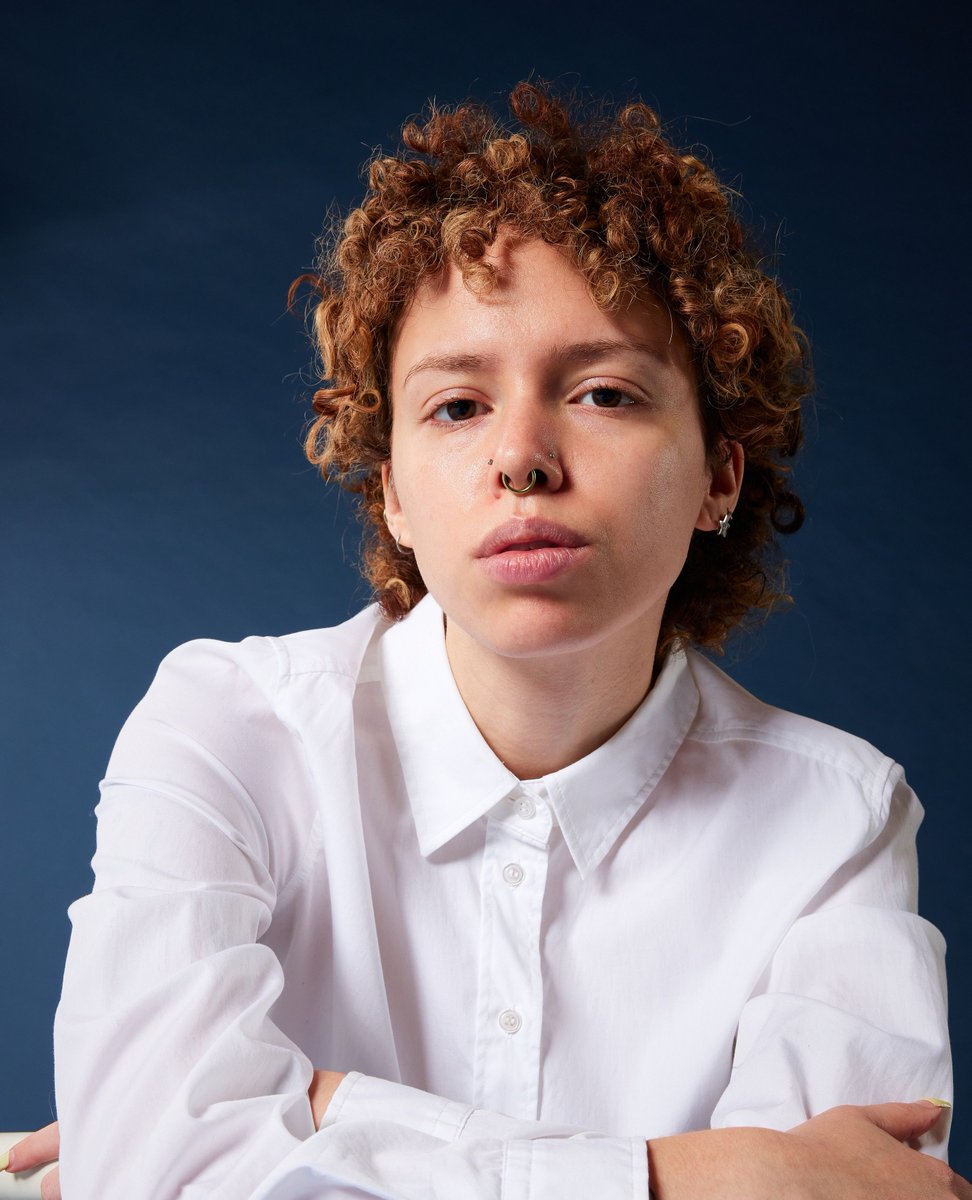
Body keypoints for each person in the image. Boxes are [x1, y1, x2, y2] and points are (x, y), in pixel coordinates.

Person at [5, 81, 968, 1199]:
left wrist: (312, 1103)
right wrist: (699, 1174)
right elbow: (156, 1174)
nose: (522, 456)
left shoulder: (836, 817)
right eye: (456, 406)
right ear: (394, 497)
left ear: (719, 474)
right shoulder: (226, 727)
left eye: (604, 393)